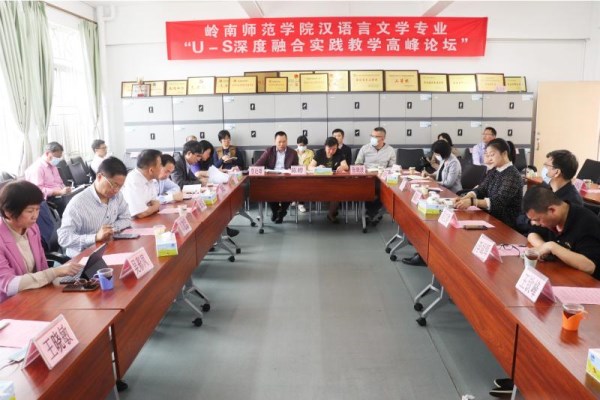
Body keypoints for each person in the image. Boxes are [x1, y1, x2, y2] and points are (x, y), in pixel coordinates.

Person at [0, 181, 82, 302]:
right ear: (8, 212)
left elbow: (42, 266)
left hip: (36, 295)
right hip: (11, 303)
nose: (35, 216)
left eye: (37, 209)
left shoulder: (32, 228)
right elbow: (9, 285)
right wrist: (55, 272)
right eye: (30, 211)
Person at [58, 157, 132, 257]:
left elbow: (126, 218)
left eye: (120, 186)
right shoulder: (78, 204)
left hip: (107, 248)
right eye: (113, 185)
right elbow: (63, 238)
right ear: (99, 177)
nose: (116, 190)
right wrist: (95, 237)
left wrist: (110, 229)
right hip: (84, 256)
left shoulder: (117, 196)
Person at [403, 140, 462, 266]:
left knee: (431, 223)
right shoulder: (445, 160)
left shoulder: (454, 162)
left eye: (437, 153)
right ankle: (422, 250)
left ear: (443, 153)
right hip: (439, 193)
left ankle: (425, 254)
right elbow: (439, 173)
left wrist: (433, 182)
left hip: (450, 195)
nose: (435, 156)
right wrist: (430, 175)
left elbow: (448, 183)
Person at [454, 138, 522, 229]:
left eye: (492, 155)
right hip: (489, 216)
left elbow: (498, 202)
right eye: (487, 155)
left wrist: (472, 202)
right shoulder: (495, 170)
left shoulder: (513, 175)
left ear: (504, 154)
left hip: (504, 223)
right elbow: (482, 189)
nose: (489, 158)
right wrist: (466, 197)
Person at [516, 149, 583, 234]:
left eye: (546, 166)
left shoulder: (572, 202)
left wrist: (534, 223)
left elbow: (555, 233)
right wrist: (531, 222)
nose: (544, 169)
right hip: (529, 235)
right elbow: (520, 218)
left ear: (557, 172)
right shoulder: (542, 188)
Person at [254, 131, 299, 223]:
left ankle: (281, 212)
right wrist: (250, 170)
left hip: (287, 179)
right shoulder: (269, 151)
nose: (282, 144)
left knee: (291, 189)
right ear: (275, 141)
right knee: (267, 190)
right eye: (279, 142)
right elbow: (258, 164)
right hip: (272, 179)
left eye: (284, 141)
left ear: (287, 141)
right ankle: (277, 211)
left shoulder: (293, 153)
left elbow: (296, 168)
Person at [355, 127, 396, 222]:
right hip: (367, 178)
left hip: (383, 179)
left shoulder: (390, 150)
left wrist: (384, 171)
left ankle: (372, 214)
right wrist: (365, 171)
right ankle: (373, 214)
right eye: (372, 136)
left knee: (386, 193)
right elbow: (358, 164)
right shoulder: (365, 148)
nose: (373, 138)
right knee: (368, 191)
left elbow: (392, 167)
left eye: (376, 136)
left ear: (383, 138)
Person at [309, 137, 349, 223]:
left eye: (334, 149)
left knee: (336, 192)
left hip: (335, 181)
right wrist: (317, 167)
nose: (331, 151)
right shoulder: (319, 153)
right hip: (321, 181)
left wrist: (342, 167)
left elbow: (346, 166)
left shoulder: (339, 152)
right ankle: (333, 212)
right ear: (325, 147)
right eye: (329, 149)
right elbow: (310, 167)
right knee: (330, 193)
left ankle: (331, 213)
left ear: (337, 147)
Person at [121, 149, 162, 219]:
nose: (162, 168)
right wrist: (156, 206)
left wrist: (151, 207)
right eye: (160, 165)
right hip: (131, 222)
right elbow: (141, 214)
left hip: (146, 219)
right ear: (151, 170)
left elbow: (153, 202)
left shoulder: (150, 179)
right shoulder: (134, 180)